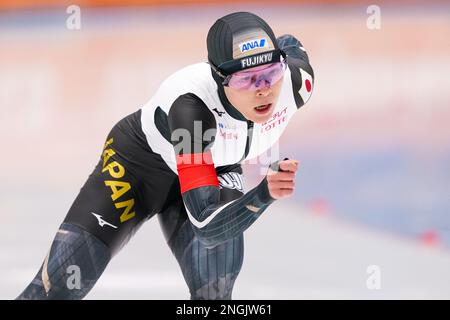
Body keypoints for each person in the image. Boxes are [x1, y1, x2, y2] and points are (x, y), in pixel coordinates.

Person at [17, 11, 314, 300]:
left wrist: (282, 52)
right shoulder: (193, 111)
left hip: (214, 167)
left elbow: (290, 44)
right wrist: (264, 193)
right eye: (246, 80)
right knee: (58, 289)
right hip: (139, 168)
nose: (263, 90)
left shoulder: (297, 82)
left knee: (215, 295)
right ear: (219, 78)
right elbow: (208, 228)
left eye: (270, 74)